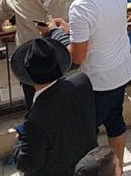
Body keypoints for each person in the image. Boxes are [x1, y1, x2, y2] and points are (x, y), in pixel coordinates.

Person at [67, 0, 131, 172]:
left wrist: (57, 37)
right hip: (122, 68)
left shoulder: (80, 7)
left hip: (99, 80)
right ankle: (118, 168)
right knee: (116, 121)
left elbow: (78, 56)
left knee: (87, 132)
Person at [11, 34, 98, 176]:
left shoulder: (36, 120)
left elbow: (27, 164)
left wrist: (18, 142)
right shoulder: (82, 82)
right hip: (86, 167)